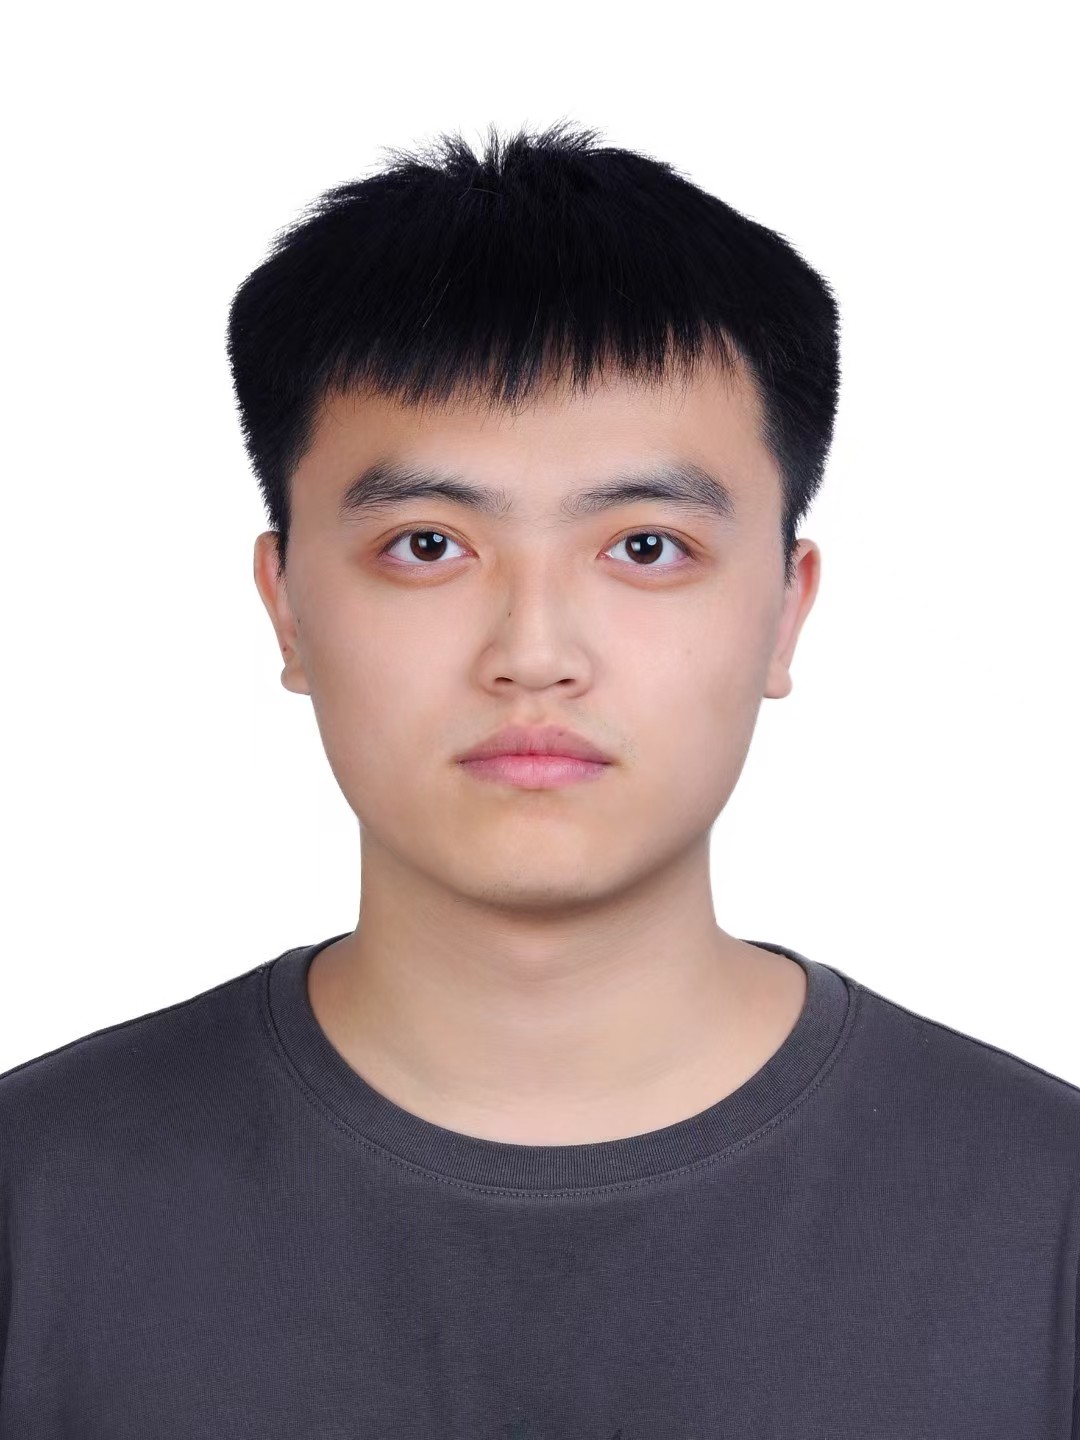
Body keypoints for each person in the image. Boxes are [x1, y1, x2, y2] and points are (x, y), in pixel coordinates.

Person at [1, 119, 1076, 1438]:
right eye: (428, 544)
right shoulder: (35, 1201)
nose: (534, 652)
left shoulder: (1049, 1216)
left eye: (644, 546)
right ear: (286, 606)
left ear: (785, 612)